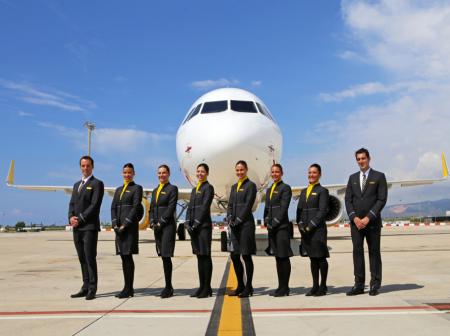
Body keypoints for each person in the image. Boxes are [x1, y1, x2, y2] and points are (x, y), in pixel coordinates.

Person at [345, 148, 387, 296]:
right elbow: (348, 200)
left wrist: (368, 217)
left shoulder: (379, 176)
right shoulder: (352, 178)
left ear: (369, 158)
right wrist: (354, 218)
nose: (361, 161)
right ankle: (359, 285)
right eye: (358, 159)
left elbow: (381, 200)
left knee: (374, 252)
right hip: (356, 224)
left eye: (363, 158)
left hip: (373, 222)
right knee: (357, 252)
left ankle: (375, 284)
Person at [68, 156, 104, 300]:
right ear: (80, 167)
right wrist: (71, 217)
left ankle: (92, 288)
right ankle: (85, 286)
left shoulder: (97, 184)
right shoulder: (77, 185)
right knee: (82, 258)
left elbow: (94, 206)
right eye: (83, 166)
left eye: (88, 166)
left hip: (89, 227)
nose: (85, 168)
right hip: (77, 228)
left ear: (92, 167)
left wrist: (80, 219)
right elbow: (72, 204)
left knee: (90, 258)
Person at [296, 163, 330, 297]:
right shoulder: (304, 191)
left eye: (314, 172)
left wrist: (310, 225)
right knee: (312, 259)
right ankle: (315, 285)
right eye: (309, 172)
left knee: (320, 258)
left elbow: (322, 212)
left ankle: (323, 285)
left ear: (319, 174)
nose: (311, 175)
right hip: (305, 231)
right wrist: (300, 225)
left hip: (317, 230)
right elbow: (299, 211)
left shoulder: (322, 191)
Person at [111, 163, 143, 298]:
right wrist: (114, 224)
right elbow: (113, 207)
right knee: (123, 257)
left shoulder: (137, 188)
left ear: (133, 173)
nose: (127, 175)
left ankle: (129, 288)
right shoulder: (118, 190)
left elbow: (135, 207)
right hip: (119, 229)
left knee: (128, 257)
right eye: (125, 172)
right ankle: (126, 287)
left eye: (129, 173)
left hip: (128, 229)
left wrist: (124, 225)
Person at [227, 160, 257, 298]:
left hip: (245, 225)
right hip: (234, 226)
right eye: (237, 170)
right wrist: (229, 217)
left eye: (241, 170)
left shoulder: (251, 185)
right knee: (234, 255)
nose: (239, 172)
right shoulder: (234, 187)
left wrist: (239, 219)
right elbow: (230, 204)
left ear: (246, 170)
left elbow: (248, 204)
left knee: (246, 255)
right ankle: (240, 285)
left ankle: (249, 286)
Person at [149, 164, 179, 298]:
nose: (161, 175)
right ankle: (167, 285)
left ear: (169, 174)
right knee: (162, 256)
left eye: (164, 173)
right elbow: (151, 208)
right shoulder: (155, 190)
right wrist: (151, 221)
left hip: (167, 227)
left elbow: (171, 207)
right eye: (159, 173)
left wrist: (161, 221)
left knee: (166, 256)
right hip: (157, 228)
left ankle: (169, 287)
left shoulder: (172, 189)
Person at [186, 163, 215, 298]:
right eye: (198, 171)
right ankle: (201, 286)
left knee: (205, 256)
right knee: (199, 257)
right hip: (194, 228)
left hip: (203, 227)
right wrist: (187, 222)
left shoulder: (209, 188)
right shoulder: (194, 189)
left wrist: (196, 223)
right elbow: (190, 207)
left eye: (202, 171)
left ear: (207, 173)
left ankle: (207, 288)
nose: (200, 174)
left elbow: (204, 207)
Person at [264, 163, 293, 297]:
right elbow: (267, 207)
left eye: (277, 172)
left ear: (282, 173)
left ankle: (285, 287)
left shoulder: (285, 188)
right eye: (273, 172)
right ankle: (280, 286)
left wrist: (275, 222)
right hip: (272, 228)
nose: (274, 174)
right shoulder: (269, 189)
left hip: (281, 228)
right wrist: (265, 219)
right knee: (277, 258)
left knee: (283, 257)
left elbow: (283, 208)